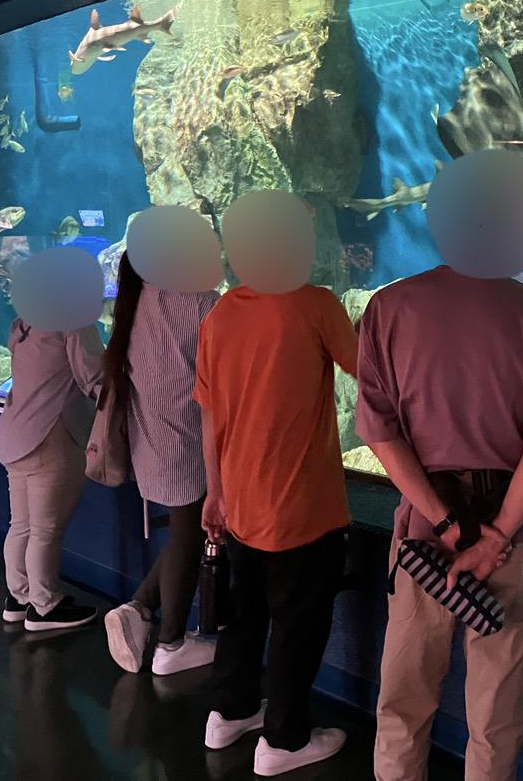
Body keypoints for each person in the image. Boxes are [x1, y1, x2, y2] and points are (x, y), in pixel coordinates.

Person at [361, 150, 523, 781]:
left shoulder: (388, 309)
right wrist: (496, 536)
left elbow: (379, 431)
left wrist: (445, 522)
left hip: (424, 536)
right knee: (497, 716)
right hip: (514, 536)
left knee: (402, 703)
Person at [196, 190, 359, 777]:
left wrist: (215, 493)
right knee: (298, 625)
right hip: (302, 507)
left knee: (245, 613)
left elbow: (210, 415)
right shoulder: (315, 305)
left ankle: (229, 713)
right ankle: (283, 741)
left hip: (239, 502)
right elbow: (369, 369)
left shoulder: (221, 315)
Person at [102, 252, 219, 676]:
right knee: (189, 538)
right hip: (191, 441)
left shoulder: (135, 300)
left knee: (186, 534)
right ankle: (170, 643)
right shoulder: (201, 301)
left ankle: (139, 608)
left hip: (151, 441)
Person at [0, 311, 103, 631]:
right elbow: (94, 376)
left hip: (15, 434)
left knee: (21, 525)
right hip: (50, 436)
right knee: (45, 531)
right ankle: (45, 608)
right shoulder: (72, 321)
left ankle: (20, 598)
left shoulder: (23, 324)